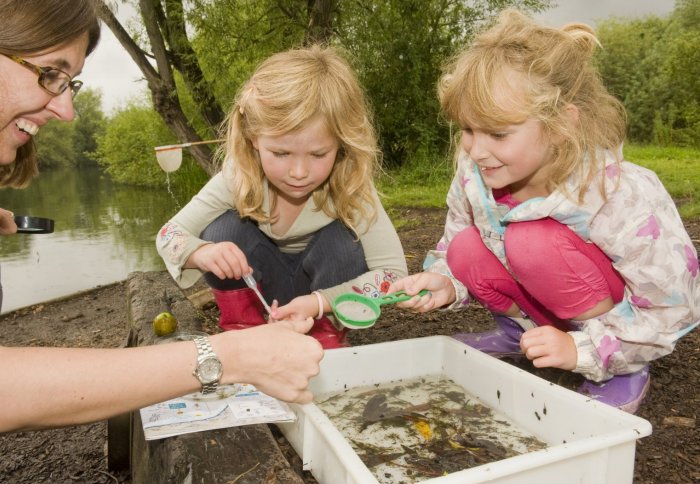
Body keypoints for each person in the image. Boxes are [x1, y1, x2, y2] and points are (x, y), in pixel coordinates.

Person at [0, 0, 322, 433]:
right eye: (50, 74)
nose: (66, 111)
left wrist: (323, 302)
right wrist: (229, 355)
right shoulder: (235, 179)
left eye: (69, 83)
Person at [389, 9, 699, 413]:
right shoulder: (476, 175)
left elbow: (671, 304)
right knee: (467, 248)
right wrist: (446, 281)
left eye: (498, 133)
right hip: (550, 302)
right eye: (467, 129)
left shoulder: (615, 192)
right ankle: (521, 333)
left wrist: (584, 347)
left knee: (532, 241)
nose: (476, 150)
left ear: (559, 126)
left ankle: (618, 368)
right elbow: (452, 248)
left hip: (615, 325)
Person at [156, 45, 407, 349]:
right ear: (253, 140)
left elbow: (393, 276)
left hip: (322, 298)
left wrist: (318, 303)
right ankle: (246, 336)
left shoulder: (352, 186)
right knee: (221, 231)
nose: (299, 172)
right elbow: (169, 234)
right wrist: (201, 253)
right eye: (280, 153)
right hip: (258, 284)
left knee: (345, 240)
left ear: (341, 145)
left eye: (318, 154)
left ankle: (325, 340)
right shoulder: (240, 175)